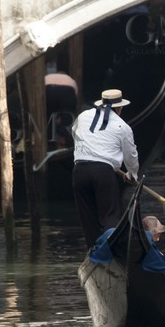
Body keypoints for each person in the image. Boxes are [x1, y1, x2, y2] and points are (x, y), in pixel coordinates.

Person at [71, 87, 139, 248]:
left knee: (88, 217)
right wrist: (132, 174)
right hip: (102, 172)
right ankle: (111, 252)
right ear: (120, 108)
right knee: (110, 216)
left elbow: (75, 134)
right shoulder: (122, 127)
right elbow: (131, 155)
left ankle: (94, 251)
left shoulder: (83, 116)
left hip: (79, 171)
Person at [44, 56, 78, 145]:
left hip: (49, 90)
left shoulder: (48, 76)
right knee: (68, 117)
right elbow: (74, 97)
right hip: (68, 91)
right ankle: (69, 142)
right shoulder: (70, 79)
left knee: (48, 118)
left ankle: (49, 142)